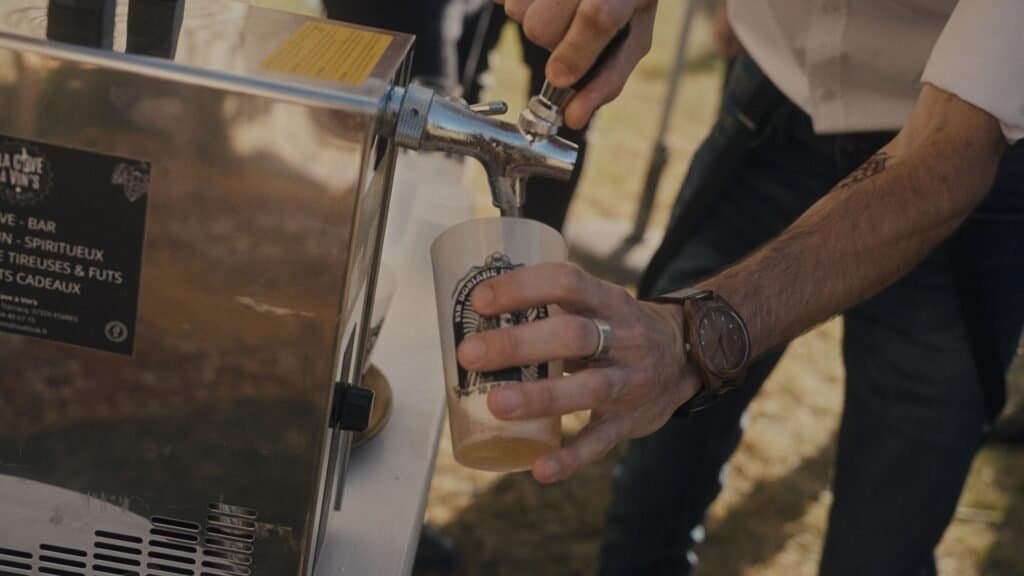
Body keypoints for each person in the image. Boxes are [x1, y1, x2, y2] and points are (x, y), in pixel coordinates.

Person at [458, 1, 1024, 574]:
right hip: (772, 95)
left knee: (884, 533)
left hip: (967, 158)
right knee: (658, 470)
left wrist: (689, 339)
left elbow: (953, 145)